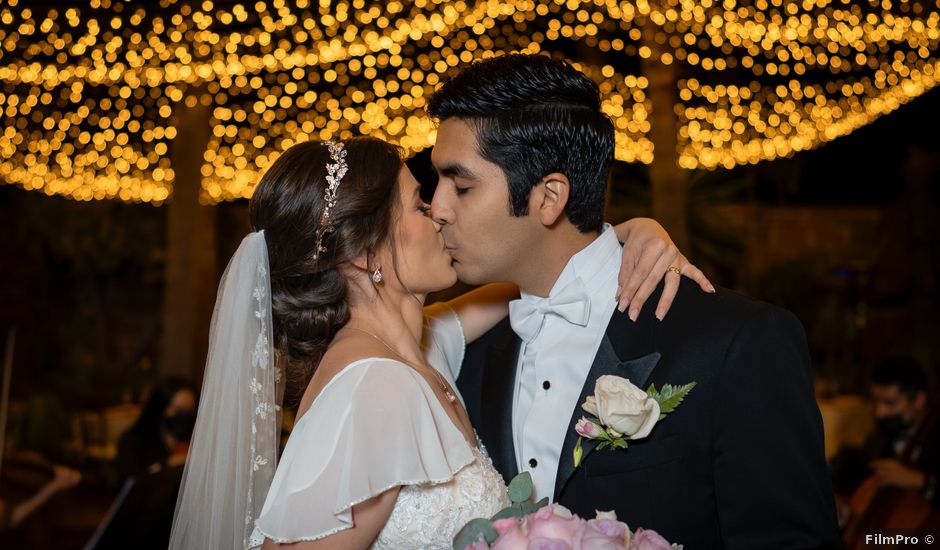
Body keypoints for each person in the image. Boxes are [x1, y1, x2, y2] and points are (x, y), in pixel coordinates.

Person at [169, 136, 710, 549]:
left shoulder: (422, 346)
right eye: (419, 205)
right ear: (362, 253)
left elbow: (535, 276)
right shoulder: (375, 387)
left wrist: (633, 233)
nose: (441, 214)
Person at [427, 53, 842, 548]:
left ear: (549, 197)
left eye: (462, 185)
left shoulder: (736, 343)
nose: (437, 207)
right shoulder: (465, 355)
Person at [833, 357, 939, 533]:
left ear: (919, 400)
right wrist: (844, 513)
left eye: (890, 403)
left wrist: (922, 482)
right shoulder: (877, 441)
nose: (880, 412)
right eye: (875, 401)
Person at [114, 376, 196, 481]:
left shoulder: (193, 440)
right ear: (160, 406)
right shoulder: (133, 441)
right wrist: (166, 464)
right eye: (178, 408)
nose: (183, 415)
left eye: (189, 410)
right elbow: (128, 481)